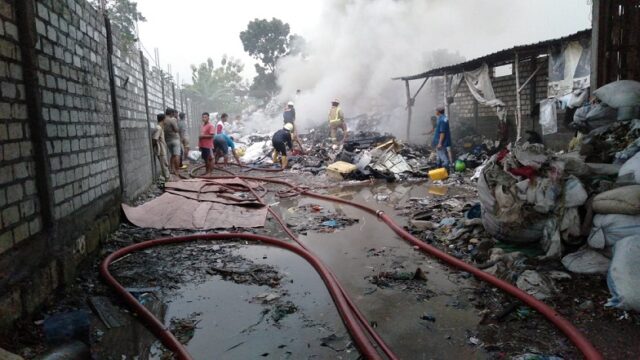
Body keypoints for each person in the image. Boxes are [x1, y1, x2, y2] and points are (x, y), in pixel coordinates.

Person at [152, 113, 170, 181]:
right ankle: (168, 183)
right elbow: (155, 139)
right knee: (165, 167)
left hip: (162, 150)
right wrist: (154, 147)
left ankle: (164, 183)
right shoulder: (159, 128)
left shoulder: (159, 128)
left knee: (164, 167)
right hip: (161, 151)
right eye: (165, 119)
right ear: (163, 119)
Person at [163, 108, 181, 174]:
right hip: (175, 140)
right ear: (171, 113)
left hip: (167, 141)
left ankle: (171, 169)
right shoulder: (172, 120)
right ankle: (177, 171)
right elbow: (176, 130)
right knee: (177, 155)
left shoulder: (163, 120)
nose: (173, 115)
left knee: (172, 155)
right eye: (173, 113)